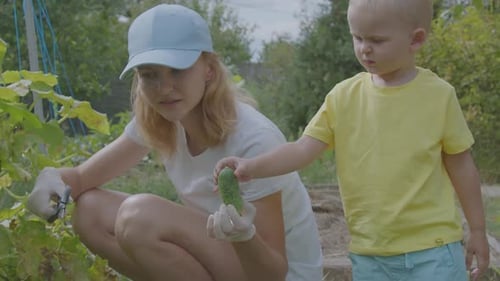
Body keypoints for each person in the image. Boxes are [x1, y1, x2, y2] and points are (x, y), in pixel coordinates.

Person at [26, 4, 323, 281]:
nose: (164, 88)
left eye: (177, 70)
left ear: (208, 69)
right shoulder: (161, 120)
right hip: (218, 250)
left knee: (139, 218)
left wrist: (244, 236)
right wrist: (50, 178)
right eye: (149, 75)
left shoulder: (254, 139)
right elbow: (80, 179)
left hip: (275, 270)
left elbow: (271, 272)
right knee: (89, 210)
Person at [214, 0, 490, 280]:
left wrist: (478, 230)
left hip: (433, 250)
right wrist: (251, 166)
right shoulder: (342, 97)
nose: (364, 48)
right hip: (370, 254)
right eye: (357, 37)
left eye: (376, 40)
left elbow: (462, 166)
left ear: (416, 39)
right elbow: (302, 149)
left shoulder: (439, 96)